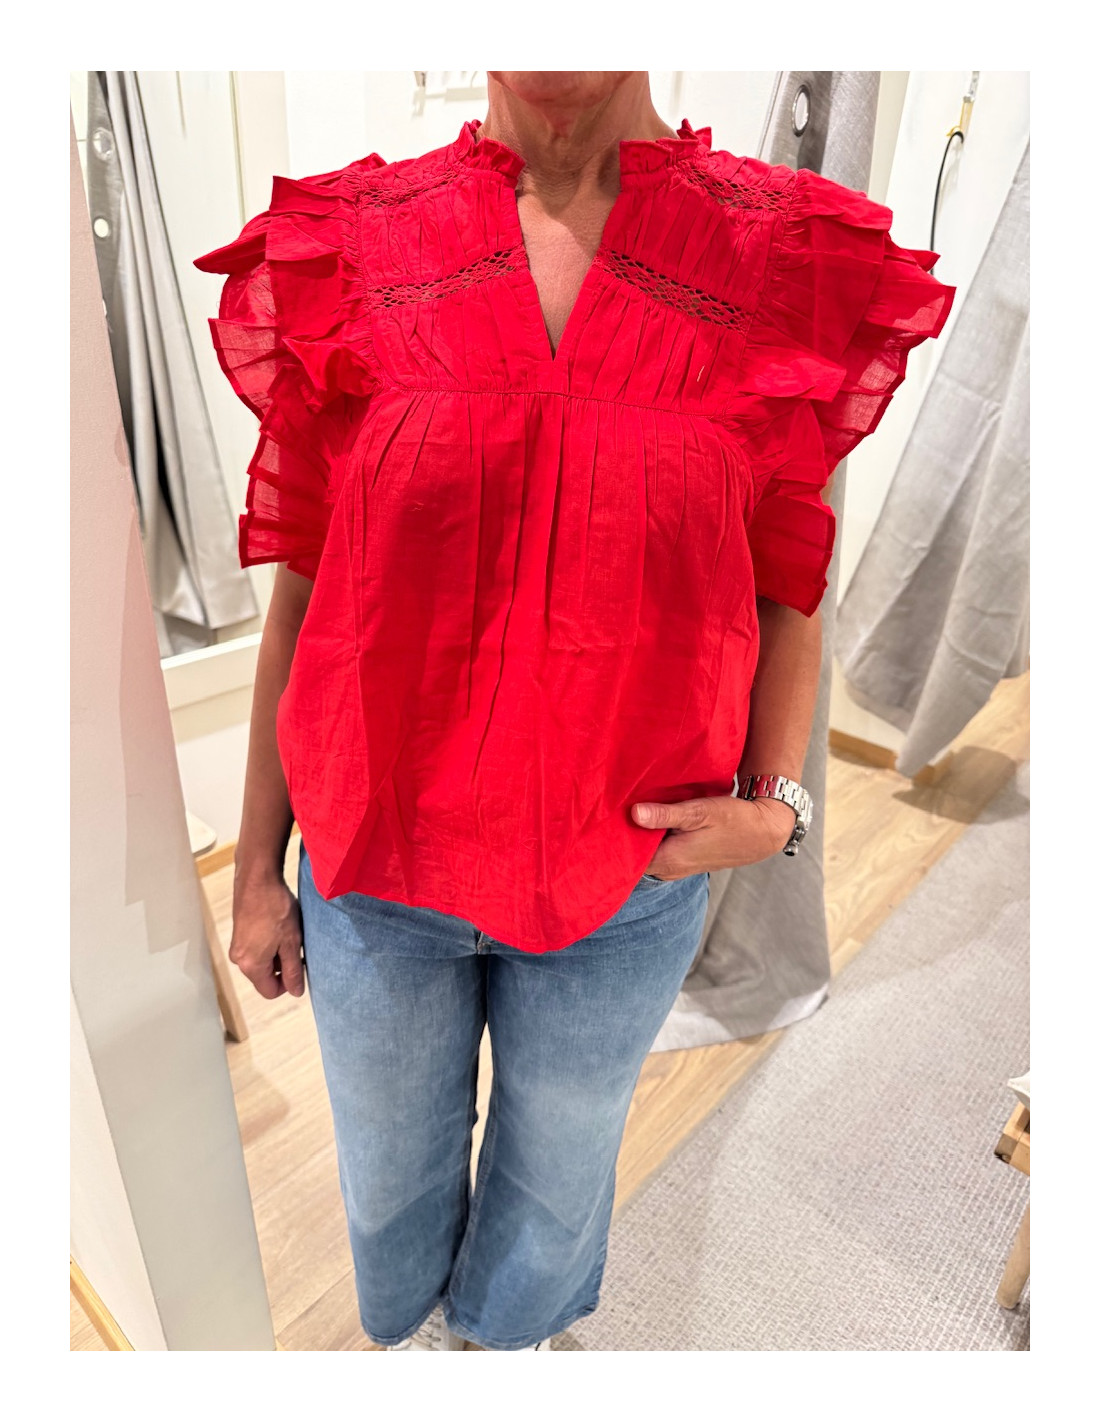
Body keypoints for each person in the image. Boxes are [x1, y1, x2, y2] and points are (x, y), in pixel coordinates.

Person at [195, 71, 954, 1352]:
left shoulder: (783, 256)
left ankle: (508, 1349)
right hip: (375, 863)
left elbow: (787, 585)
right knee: (387, 1192)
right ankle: (420, 1352)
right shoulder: (351, 244)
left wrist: (778, 809)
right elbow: (307, 595)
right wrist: (256, 870)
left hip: (622, 875)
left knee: (553, 1192)